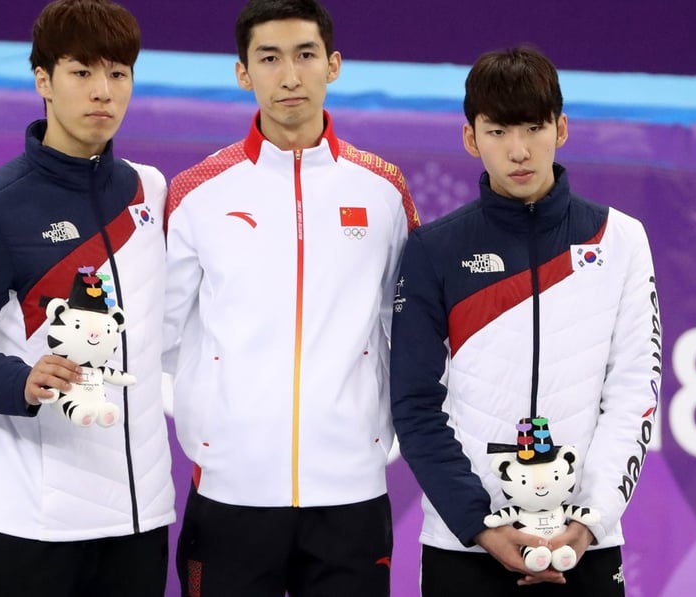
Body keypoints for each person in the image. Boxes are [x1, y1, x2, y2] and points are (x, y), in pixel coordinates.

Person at [0, 1, 174, 595]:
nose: (103, 91)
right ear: (43, 81)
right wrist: (22, 381)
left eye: (118, 73)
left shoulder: (149, 190)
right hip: (31, 527)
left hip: (141, 520)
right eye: (81, 72)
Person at [162, 1, 420, 595]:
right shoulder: (198, 193)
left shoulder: (382, 190)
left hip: (351, 492)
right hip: (230, 490)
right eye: (269, 58)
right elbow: (163, 336)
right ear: (243, 73)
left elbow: (406, 330)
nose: (289, 76)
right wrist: (220, 423)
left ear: (333, 65)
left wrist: (369, 430)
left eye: (305, 55)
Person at [390, 45, 661, 596]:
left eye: (534, 128)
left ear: (561, 128)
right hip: (464, 545)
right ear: (471, 139)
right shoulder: (433, 250)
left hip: (584, 544)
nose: (518, 150)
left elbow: (636, 391)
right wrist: (480, 526)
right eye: (497, 132)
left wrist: (590, 521)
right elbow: (415, 404)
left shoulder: (620, 240)